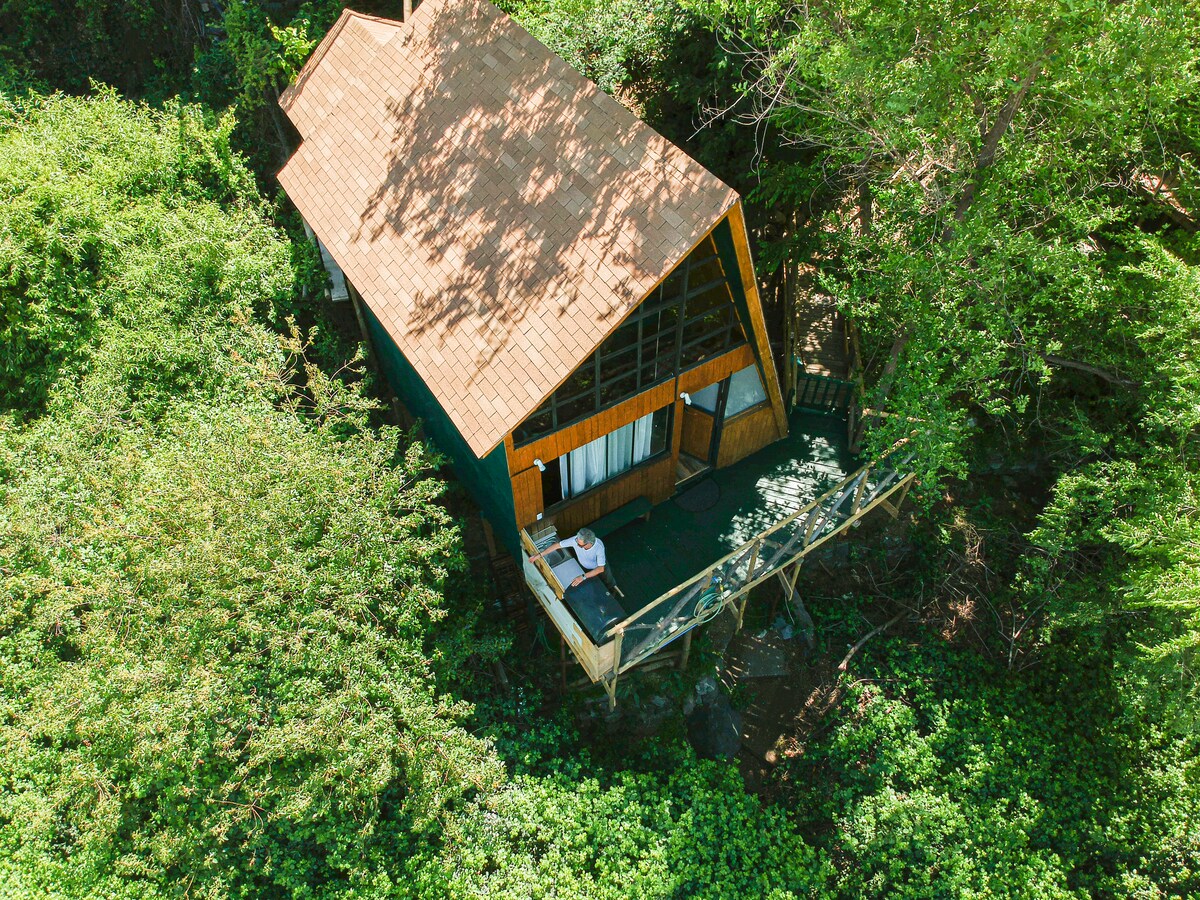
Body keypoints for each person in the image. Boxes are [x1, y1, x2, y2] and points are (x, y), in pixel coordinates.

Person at [529, 527, 618, 593]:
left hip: (598, 567)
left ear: (589, 543)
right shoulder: (576, 540)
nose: (576, 544)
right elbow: (557, 545)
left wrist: (582, 577)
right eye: (576, 541)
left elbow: (600, 569)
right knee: (593, 583)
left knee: (608, 581)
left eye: (580, 545)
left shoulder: (599, 547)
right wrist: (539, 555)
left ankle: (612, 590)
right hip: (586, 567)